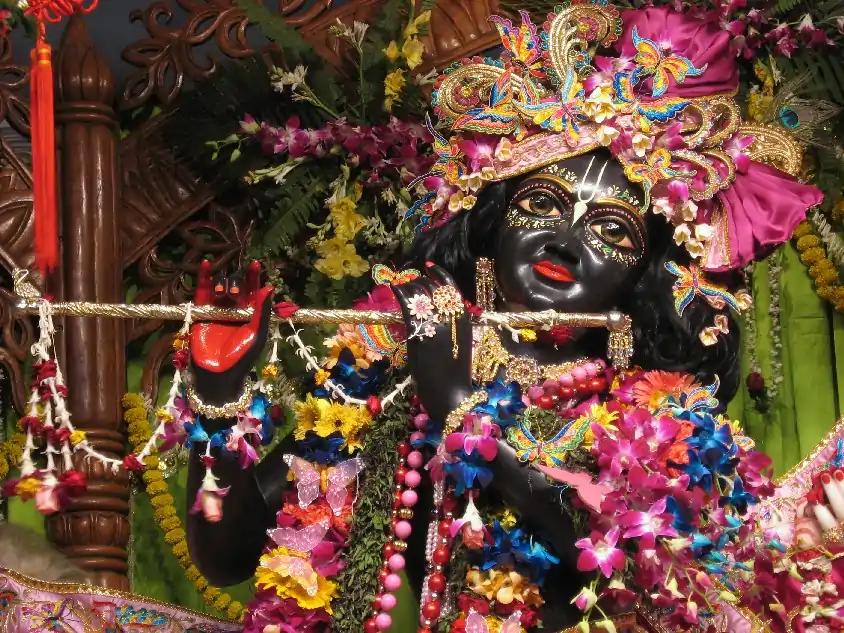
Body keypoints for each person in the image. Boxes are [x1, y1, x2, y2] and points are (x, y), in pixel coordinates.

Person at [184, 3, 839, 633]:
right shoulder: (401, 364)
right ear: (492, 222)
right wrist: (216, 404)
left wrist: (463, 412)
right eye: (543, 203)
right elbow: (225, 550)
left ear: (644, 277)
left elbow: (626, 573)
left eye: (610, 230)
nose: (565, 241)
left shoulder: (658, 419)